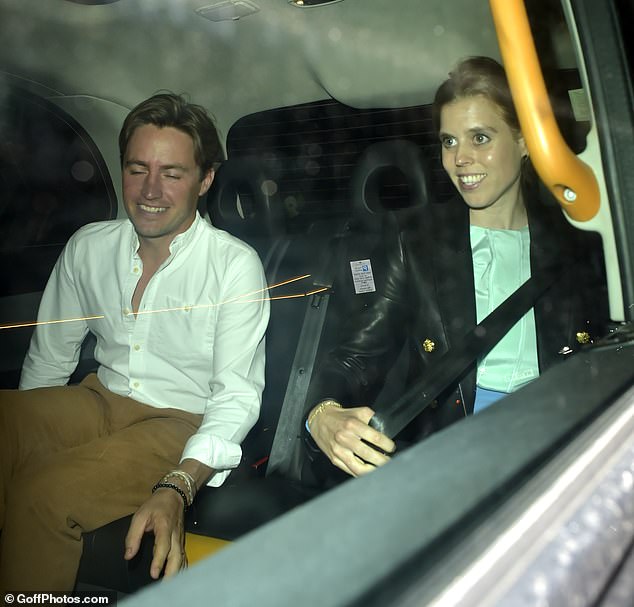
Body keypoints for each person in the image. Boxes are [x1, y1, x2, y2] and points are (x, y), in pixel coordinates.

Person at [0, 93, 270, 591]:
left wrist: (181, 482)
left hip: (178, 420)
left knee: (45, 495)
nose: (150, 190)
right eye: (137, 168)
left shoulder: (234, 265)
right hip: (97, 398)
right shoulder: (88, 246)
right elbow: (50, 358)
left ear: (204, 180)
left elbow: (236, 396)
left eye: (172, 173)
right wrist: (32, 436)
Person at [303, 56, 607, 481]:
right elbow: (356, 356)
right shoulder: (416, 240)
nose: (460, 158)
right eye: (449, 142)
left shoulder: (581, 239)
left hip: (562, 445)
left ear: (524, 141)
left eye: (479, 137)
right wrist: (322, 412)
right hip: (456, 454)